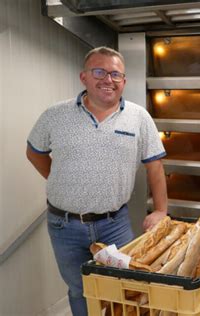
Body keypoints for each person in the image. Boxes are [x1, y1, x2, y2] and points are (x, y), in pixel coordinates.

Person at [26, 47, 168, 316]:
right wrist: (61, 180)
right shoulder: (55, 115)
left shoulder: (139, 117)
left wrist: (161, 209)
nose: (108, 80)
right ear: (84, 77)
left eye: (116, 74)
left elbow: (155, 165)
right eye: (99, 72)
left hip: (115, 224)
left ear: (124, 81)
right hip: (64, 225)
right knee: (80, 290)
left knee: (125, 289)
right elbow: (34, 153)